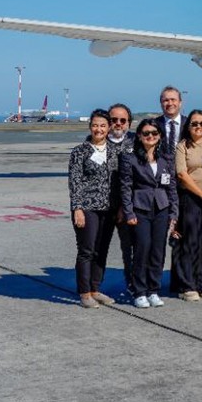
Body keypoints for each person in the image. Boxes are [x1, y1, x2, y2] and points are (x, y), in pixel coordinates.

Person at [120, 119, 179, 308]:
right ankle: (139, 291)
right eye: (146, 133)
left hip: (161, 208)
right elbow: (126, 188)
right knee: (142, 249)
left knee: (158, 251)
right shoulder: (130, 158)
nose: (150, 136)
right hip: (140, 208)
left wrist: (174, 212)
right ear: (139, 136)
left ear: (160, 136)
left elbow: (171, 187)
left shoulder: (166, 158)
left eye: (154, 133)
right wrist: (129, 213)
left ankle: (153, 289)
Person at [69, 109, 120, 308]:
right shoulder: (80, 151)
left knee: (101, 250)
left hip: (109, 209)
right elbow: (75, 182)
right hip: (87, 207)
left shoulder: (115, 151)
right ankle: (84, 292)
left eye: (102, 125)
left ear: (109, 128)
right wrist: (77, 208)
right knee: (86, 250)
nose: (98, 129)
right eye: (95, 125)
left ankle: (95, 288)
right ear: (90, 127)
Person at [170, 109, 202, 301]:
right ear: (188, 126)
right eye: (194, 123)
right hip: (191, 198)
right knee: (189, 242)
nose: (198, 127)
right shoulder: (182, 146)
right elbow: (182, 175)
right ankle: (186, 285)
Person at [107, 102, 137, 295]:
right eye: (114, 120)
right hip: (102, 204)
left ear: (129, 123)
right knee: (97, 249)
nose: (118, 123)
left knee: (130, 249)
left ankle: (132, 284)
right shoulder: (96, 140)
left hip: (128, 205)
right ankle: (93, 286)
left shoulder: (136, 141)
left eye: (122, 120)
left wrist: (124, 207)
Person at [153, 86, 184, 159]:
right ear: (161, 103)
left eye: (173, 100)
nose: (170, 103)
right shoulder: (153, 125)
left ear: (180, 103)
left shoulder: (190, 124)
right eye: (166, 100)